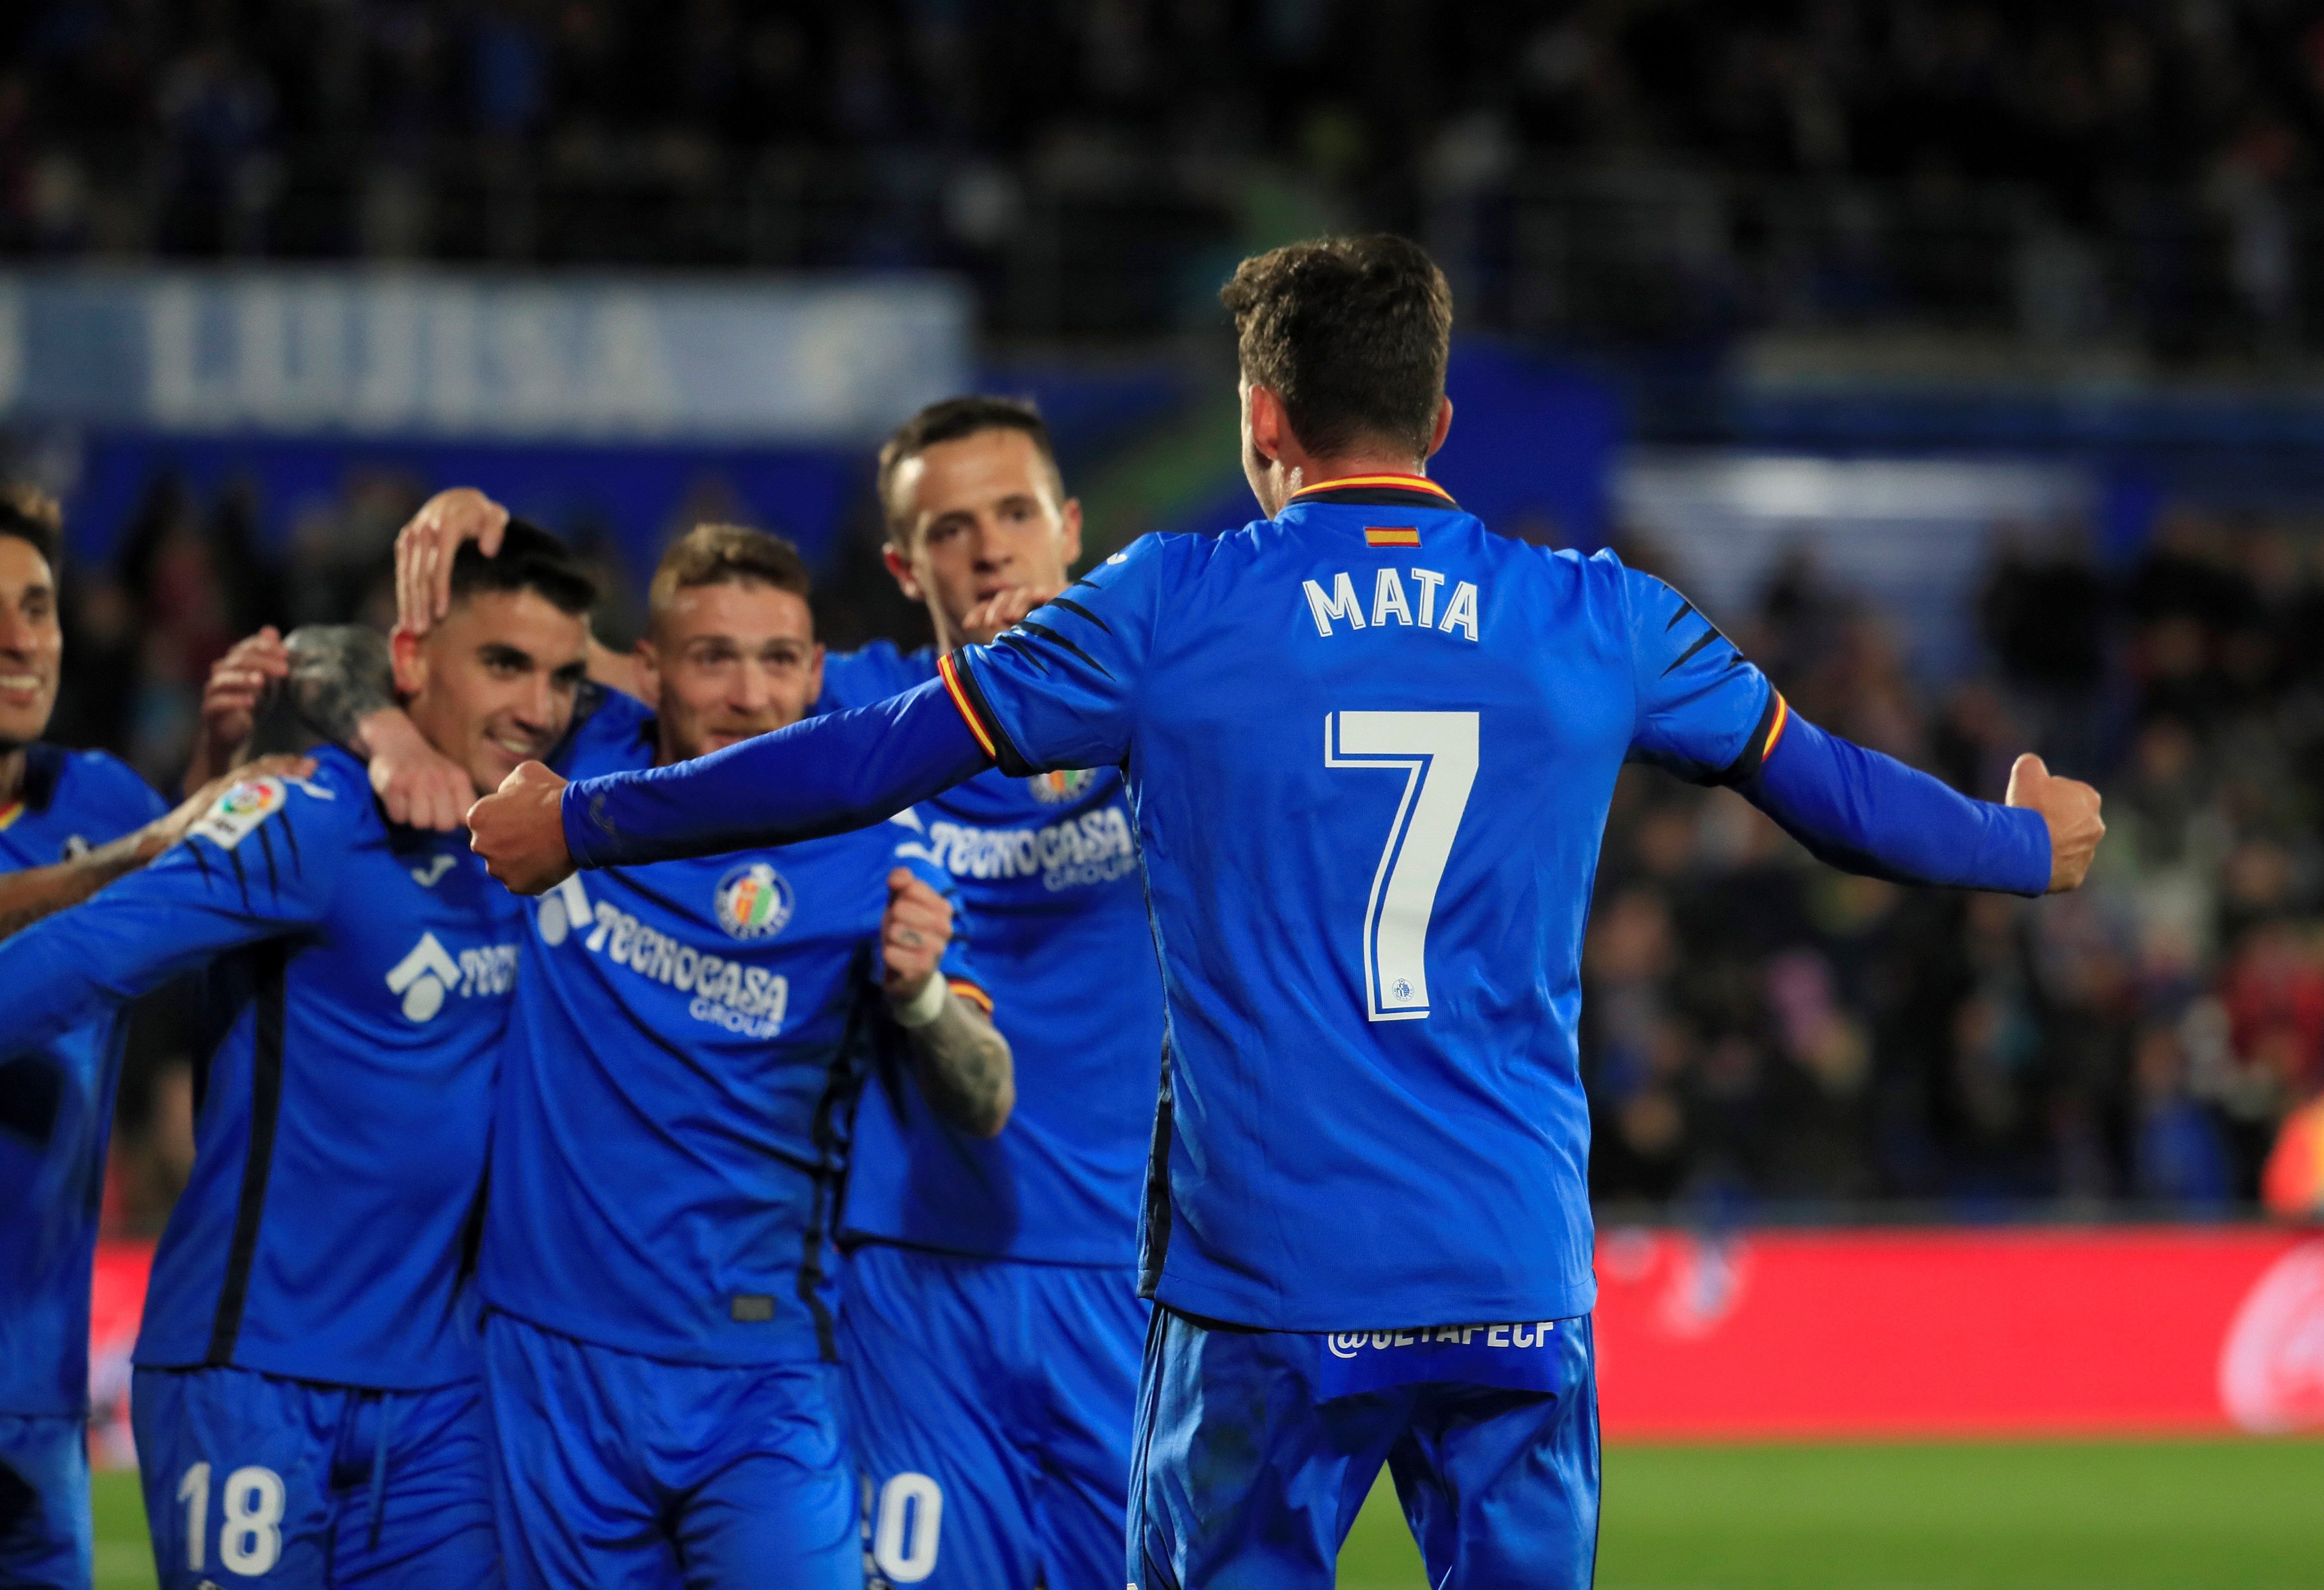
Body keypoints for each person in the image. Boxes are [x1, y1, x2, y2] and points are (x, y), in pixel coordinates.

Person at [469, 234, 2108, 1589]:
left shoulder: (1171, 604)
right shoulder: (1601, 617)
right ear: (1442, 419)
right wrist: (2021, 845)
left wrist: (587, 823)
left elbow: (866, 753)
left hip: (1266, 1290)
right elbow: (1831, 795)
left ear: (1263, 419)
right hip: (1510, 1269)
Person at [390, 403, 1164, 1590]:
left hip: (1127, 1272)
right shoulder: (850, 713)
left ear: (1069, 528)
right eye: (950, 529)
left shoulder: (1167, 717)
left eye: (1014, 515)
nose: (990, 552)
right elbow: (625, 670)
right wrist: (412, 663)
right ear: (906, 566)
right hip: (906, 1275)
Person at [349, 522, 1014, 1589]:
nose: (749, 694)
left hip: (761, 1370)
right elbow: (338, 655)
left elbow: (985, 1097)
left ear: (816, 674)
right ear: (647, 671)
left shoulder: (882, 846)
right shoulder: (572, 763)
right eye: (714, 657)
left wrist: (924, 995)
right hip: (552, 1357)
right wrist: (387, 732)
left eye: (779, 660)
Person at [0, 520, 599, 1590]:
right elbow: (77, 964)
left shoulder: (549, 828)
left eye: (562, 678)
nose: (540, 708)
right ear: (412, 661)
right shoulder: (306, 818)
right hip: (255, 1376)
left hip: (444, 1397)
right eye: (503, 665)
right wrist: (373, 730)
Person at [0, 486, 308, 1590]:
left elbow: (169, 904)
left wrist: (208, 775)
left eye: (36, 606)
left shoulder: (96, 793)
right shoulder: (106, 835)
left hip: (37, 1398)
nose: (17, 639)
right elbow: (132, 873)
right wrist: (134, 853)